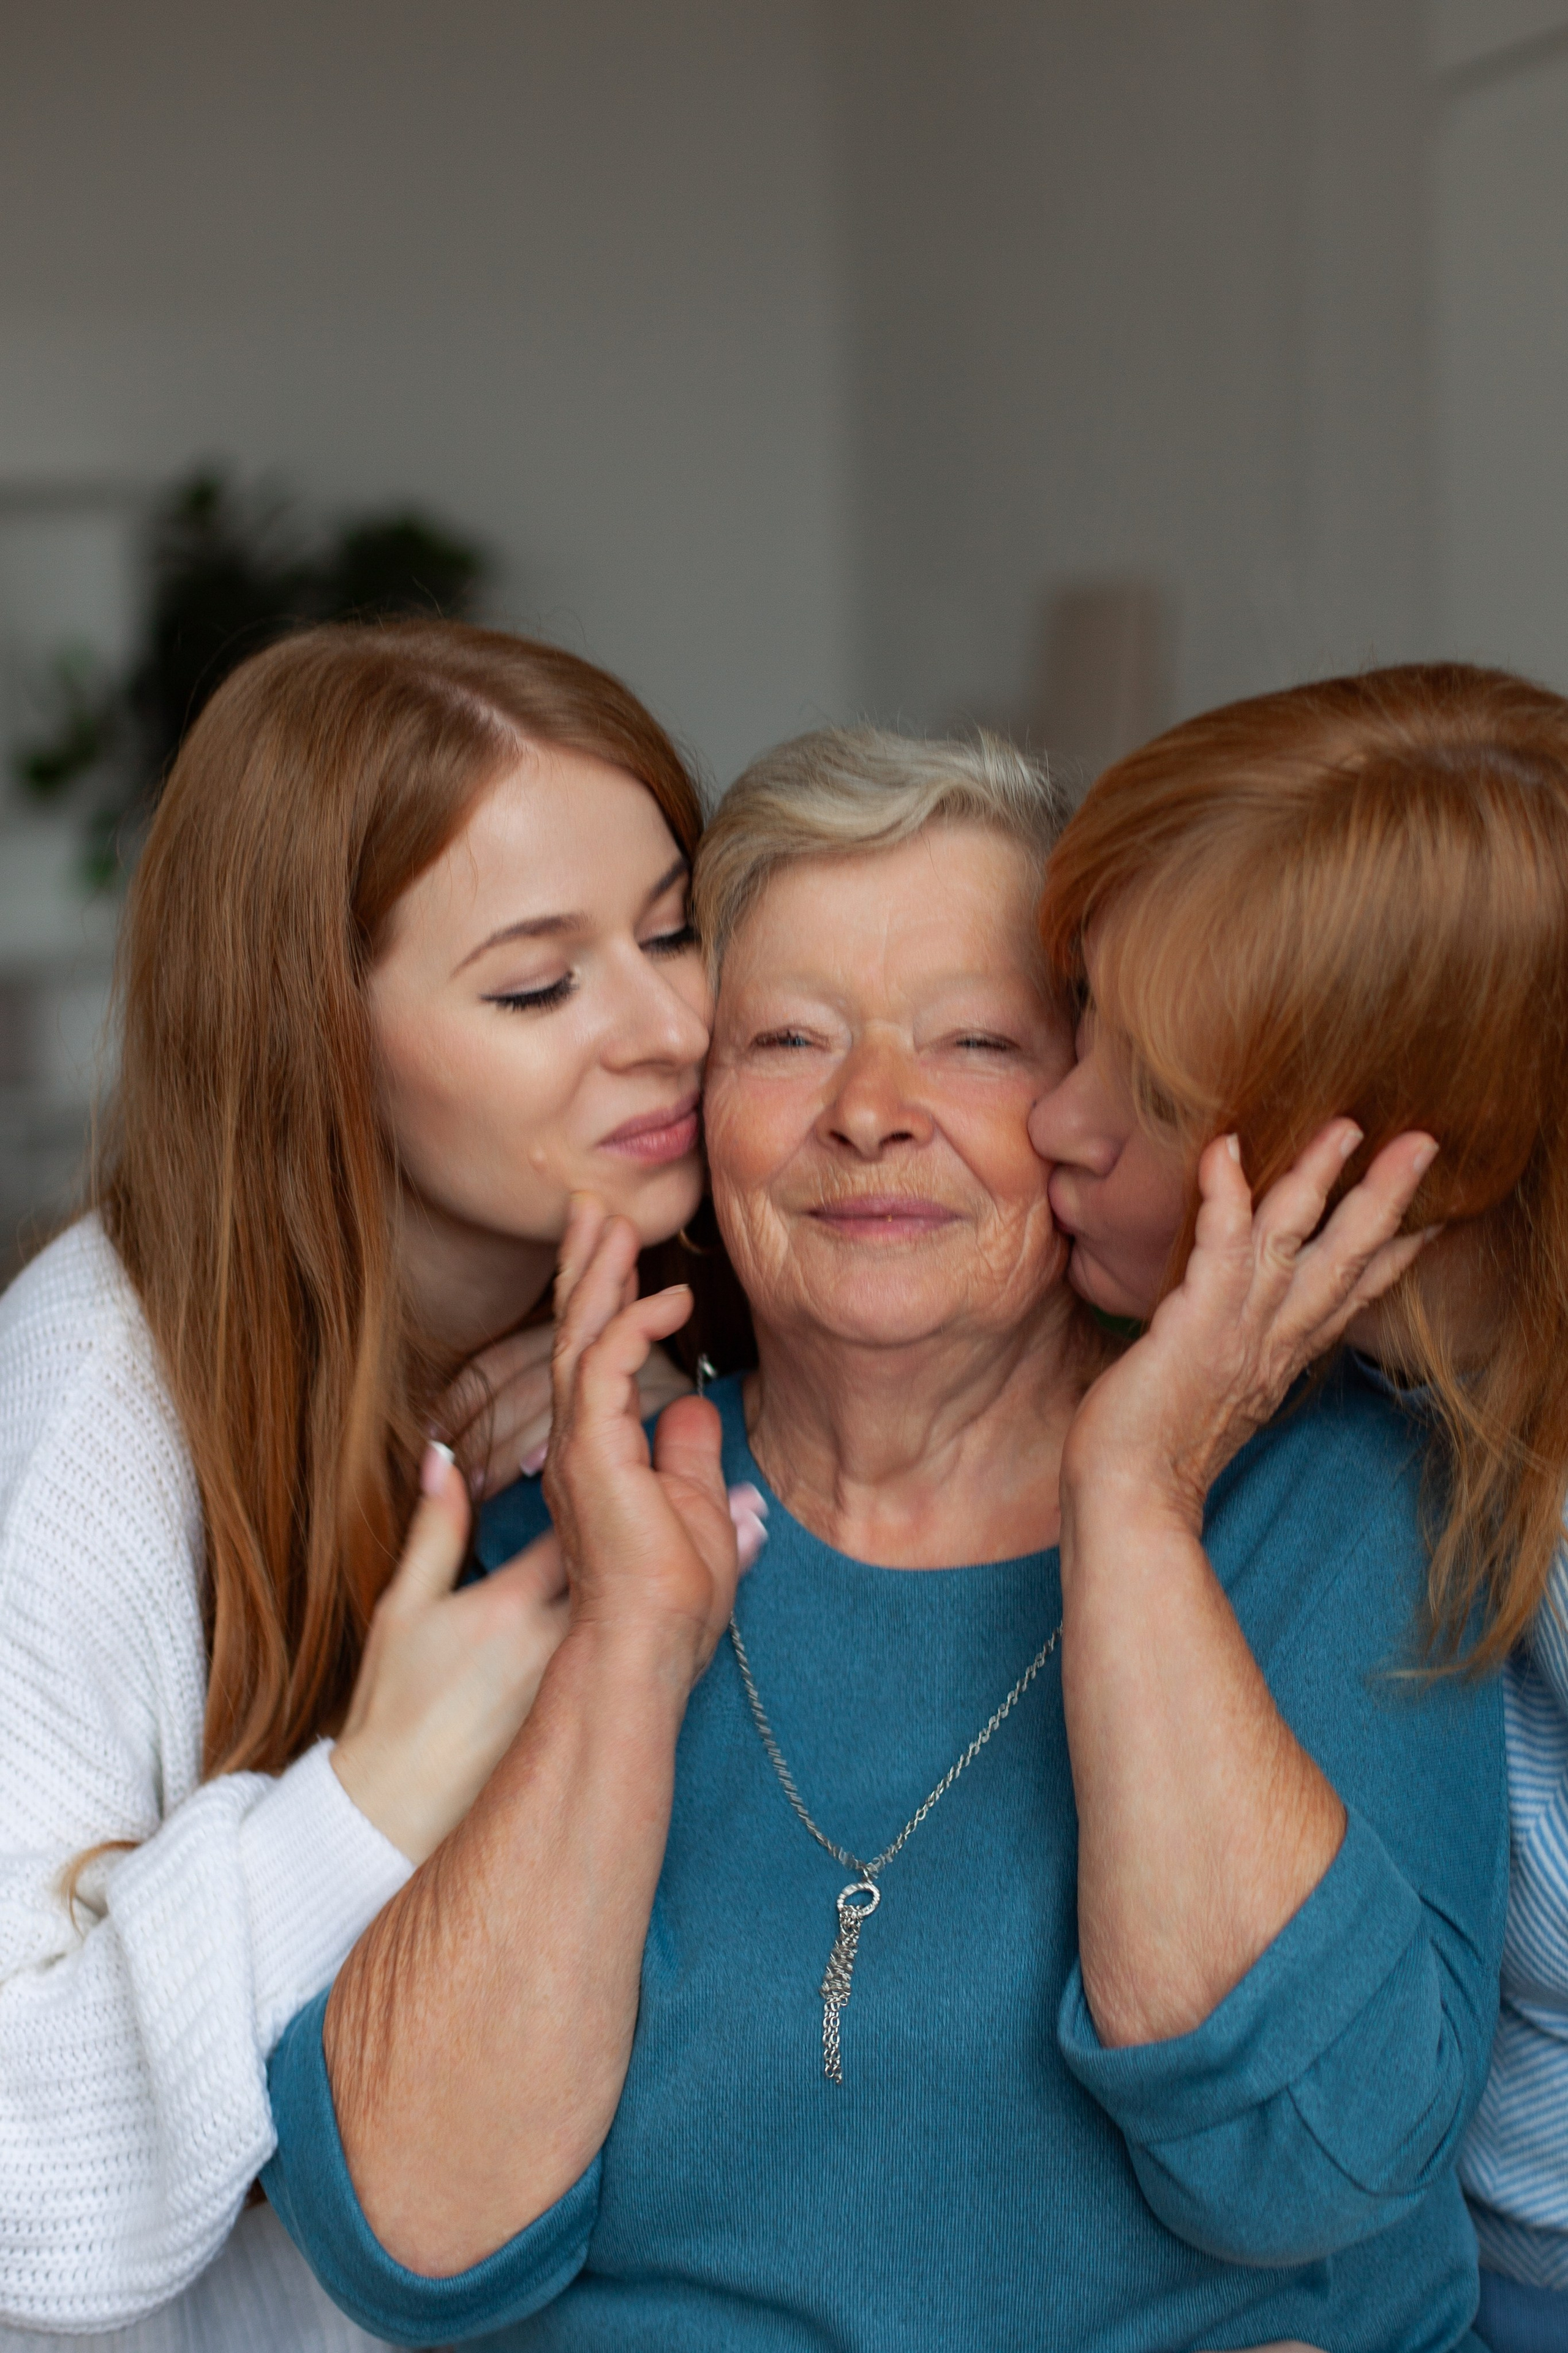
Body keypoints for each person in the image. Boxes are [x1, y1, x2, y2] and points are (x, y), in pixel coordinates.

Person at [262, 726, 1502, 2351]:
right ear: (696, 1110)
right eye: (786, 1037)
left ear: (1089, 1097)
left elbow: (1313, 2164)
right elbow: (417, 2240)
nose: (870, 1111)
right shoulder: (567, 1501)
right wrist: (635, 1635)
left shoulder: (1326, 1495)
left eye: (975, 1039)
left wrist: (1130, 1505)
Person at [0, 621, 736, 2346]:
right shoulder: (88, 1419)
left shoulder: (696, 1305)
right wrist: (382, 1781)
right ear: (316, 1030)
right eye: (539, 983)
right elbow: (25, 2189)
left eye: (675, 927)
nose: (672, 1028)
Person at [1027, 663, 1568, 2353]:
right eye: (1077, 1021)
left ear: (1433, 1158)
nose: (1055, 1118)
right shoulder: (1344, 1393)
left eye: (1161, 1097)